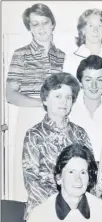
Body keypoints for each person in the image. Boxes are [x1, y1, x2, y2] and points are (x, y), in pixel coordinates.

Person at [6, 3, 65, 202]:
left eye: (44, 23)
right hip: (29, 117)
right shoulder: (20, 54)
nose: (40, 29)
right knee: (28, 178)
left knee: (56, 172)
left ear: (53, 24)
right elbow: (10, 95)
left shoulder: (62, 56)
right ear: (29, 27)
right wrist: (42, 104)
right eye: (34, 24)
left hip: (56, 120)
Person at [22, 73, 92, 219]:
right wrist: (60, 206)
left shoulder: (80, 133)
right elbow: (31, 181)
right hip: (43, 210)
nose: (64, 102)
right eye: (58, 96)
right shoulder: (34, 135)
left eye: (68, 97)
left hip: (76, 208)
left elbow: (89, 172)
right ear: (45, 100)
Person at [26, 144, 102, 222]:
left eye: (83, 172)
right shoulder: (39, 216)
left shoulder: (101, 210)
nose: (78, 179)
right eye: (71, 172)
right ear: (59, 178)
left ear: (89, 178)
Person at [69, 55, 102, 164]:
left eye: (99, 80)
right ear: (80, 82)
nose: (94, 85)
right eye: (88, 79)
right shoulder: (70, 109)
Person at [63, 8, 102, 102]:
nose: (95, 30)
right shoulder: (71, 60)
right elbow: (67, 93)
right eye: (91, 25)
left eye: (100, 26)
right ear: (83, 30)